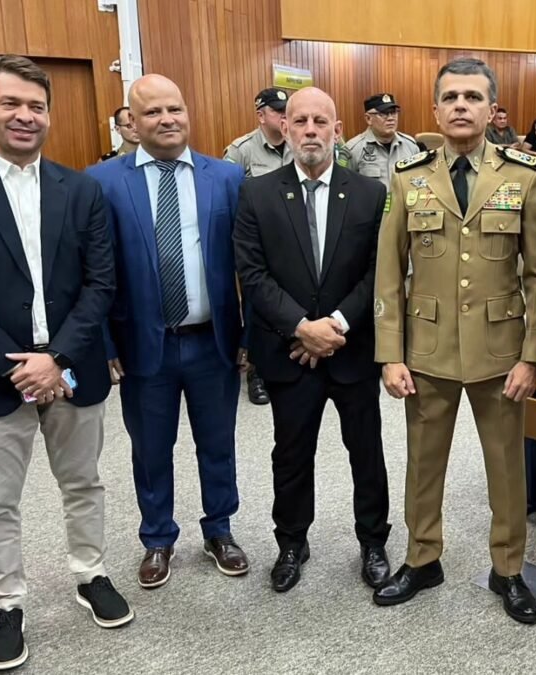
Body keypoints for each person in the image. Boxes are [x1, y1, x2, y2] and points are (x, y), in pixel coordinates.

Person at [0, 54, 131, 672]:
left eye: (37, 106)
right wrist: (19, 367)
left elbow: (101, 282)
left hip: (71, 366)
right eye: (10, 103)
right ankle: (6, 604)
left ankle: (91, 574)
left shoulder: (81, 188)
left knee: (83, 482)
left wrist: (56, 357)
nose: (25, 116)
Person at [371, 57, 536, 624]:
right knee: (423, 465)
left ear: (491, 109)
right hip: (427, 351)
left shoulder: (524, 176)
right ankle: (422, 558)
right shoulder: (408, 178)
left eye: (472, 97)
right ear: (435, 110)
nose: (460, 106)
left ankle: (508, 569)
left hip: (500, 354)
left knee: (506, 468)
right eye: (450, 97)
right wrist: (390, 355)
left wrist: (532, 356)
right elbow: (387, 273)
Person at [86, 74, 249, 591]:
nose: (167, 119)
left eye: (174, 108)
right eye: (153, 112)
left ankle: (219, 530)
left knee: (217, 443)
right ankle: (157, 537)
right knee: (151, 449)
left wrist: (250, 335)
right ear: (132, 123)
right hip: (142, 345)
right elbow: (92, 270)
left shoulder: (226, 177)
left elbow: (249, 264)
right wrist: (103, 343)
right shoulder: (103, 182)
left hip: (212, 341)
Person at [234, 87, 392, 593]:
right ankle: (291, 542)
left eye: (320, 121)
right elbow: (252, 273)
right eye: (299, 121)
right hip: (290, 351)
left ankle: (373, 541)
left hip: (352, 350)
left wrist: (337, 325)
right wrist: (302, 327)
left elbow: (378, 272)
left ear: (337, 130)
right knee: (291, 454)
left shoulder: (369, 194)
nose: (309, 130)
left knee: (366, 451)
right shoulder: (256, 193)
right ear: (283, 128)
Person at [223, 87, 291, 406]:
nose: (284, 116)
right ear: (261, 115)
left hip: (294, 242)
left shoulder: (297, 143)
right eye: (278, 111)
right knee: (256, 305)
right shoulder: (241, 151)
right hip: (258, 245)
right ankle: (256, 371)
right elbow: (227, 201)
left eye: (287, 110)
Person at [344, 93, 421, 189]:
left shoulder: (411, 146)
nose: (391, 118)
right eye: (383, 114)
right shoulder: (353, 150)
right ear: (368, 119)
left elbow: (419, 182)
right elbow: (344, 188)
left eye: (394, 112)